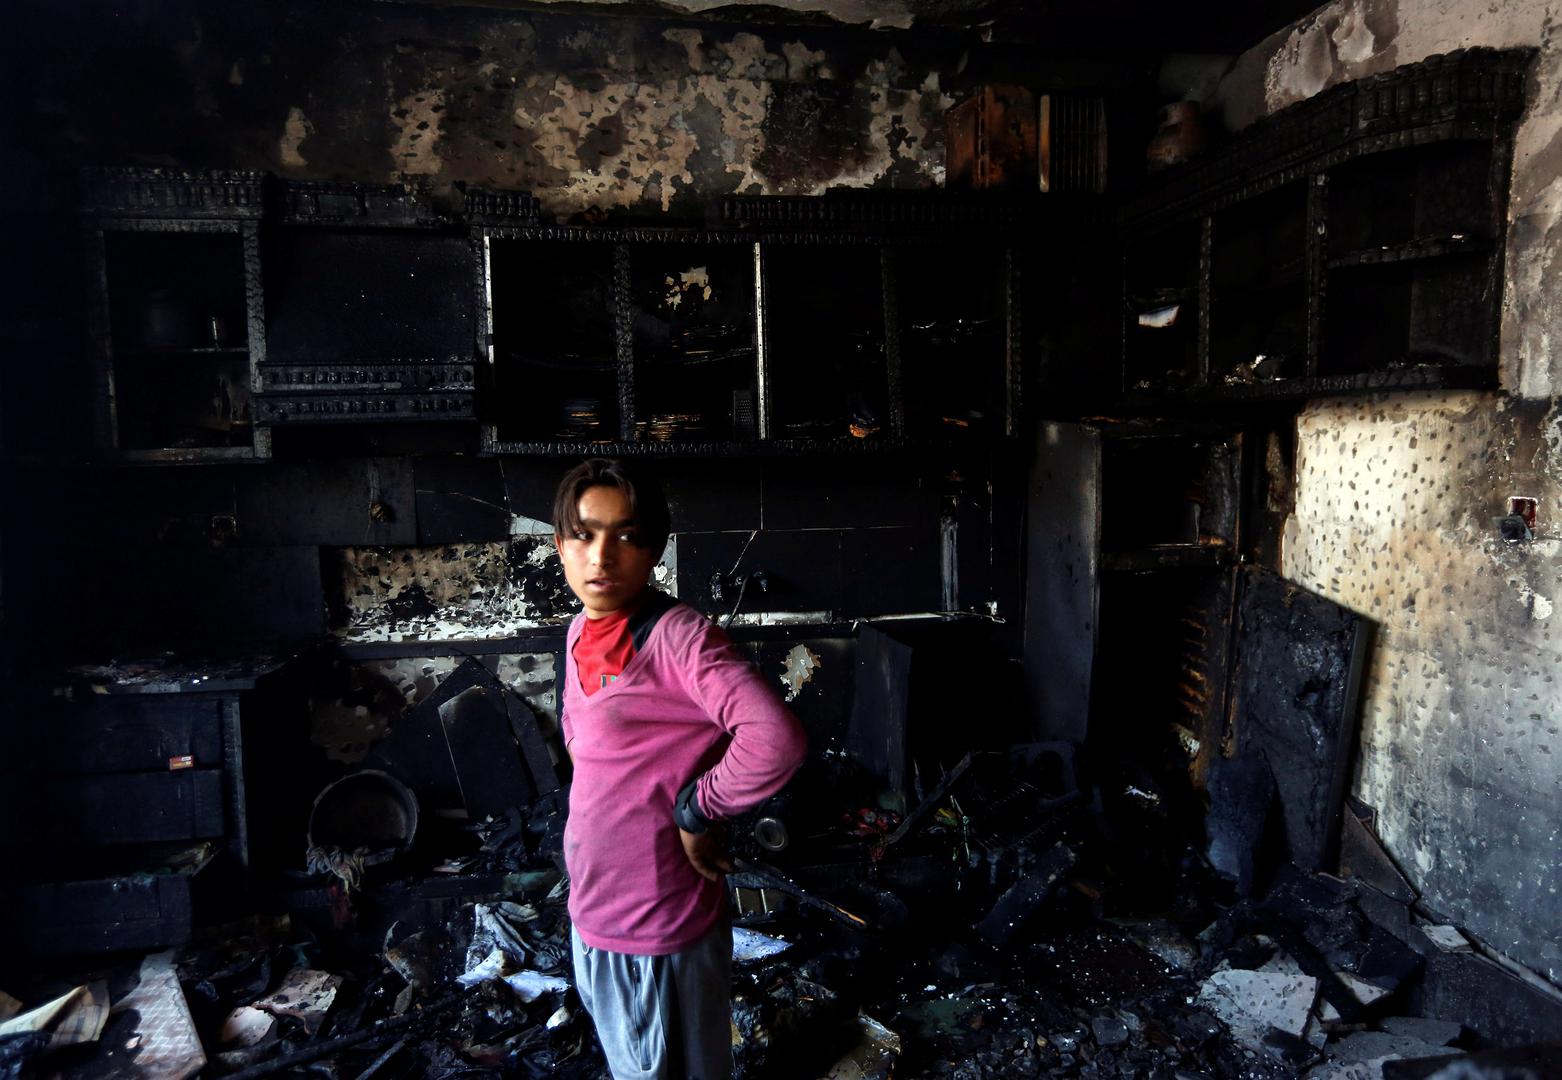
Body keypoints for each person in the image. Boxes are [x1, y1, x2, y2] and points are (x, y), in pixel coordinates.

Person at [552, 458, 806, 1080]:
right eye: (584, 534)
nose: (601, 557)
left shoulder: (678, 638)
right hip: (600, 912)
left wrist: (698, 807)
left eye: (627, 537)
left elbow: (774, 739)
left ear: (654, 550)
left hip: (652, 924)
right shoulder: (580, 631)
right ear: (560, 544)